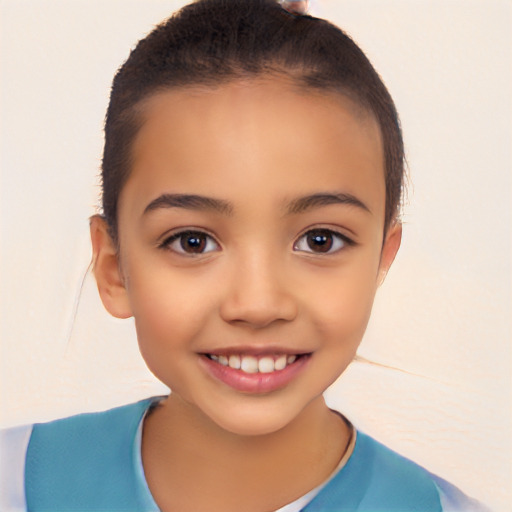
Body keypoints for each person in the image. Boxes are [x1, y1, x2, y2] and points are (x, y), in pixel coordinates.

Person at [0, 0, 490, 510]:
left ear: (381, 261)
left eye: (320, 240)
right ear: (114, 269)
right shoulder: (14, 482)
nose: (257, 304)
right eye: (193, 242)